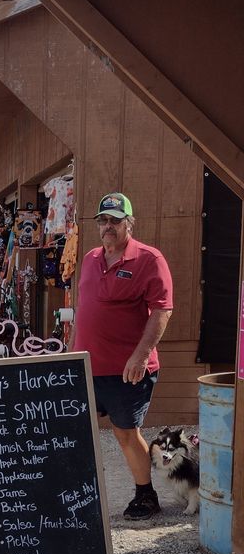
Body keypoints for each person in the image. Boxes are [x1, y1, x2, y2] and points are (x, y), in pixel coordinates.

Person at [71, 192, 173, 520]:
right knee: (75, 429)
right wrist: (71, 353)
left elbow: (162, 310)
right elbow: (83, 308)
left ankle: (146, 496)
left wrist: (141, 356)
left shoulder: (148, 259)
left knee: (125, 432)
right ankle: (74, 496)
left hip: (126, 369)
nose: (108, 226)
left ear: (129, 223)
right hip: (86, 365)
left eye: (116, 220)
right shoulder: (89, 259)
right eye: (103, 220)